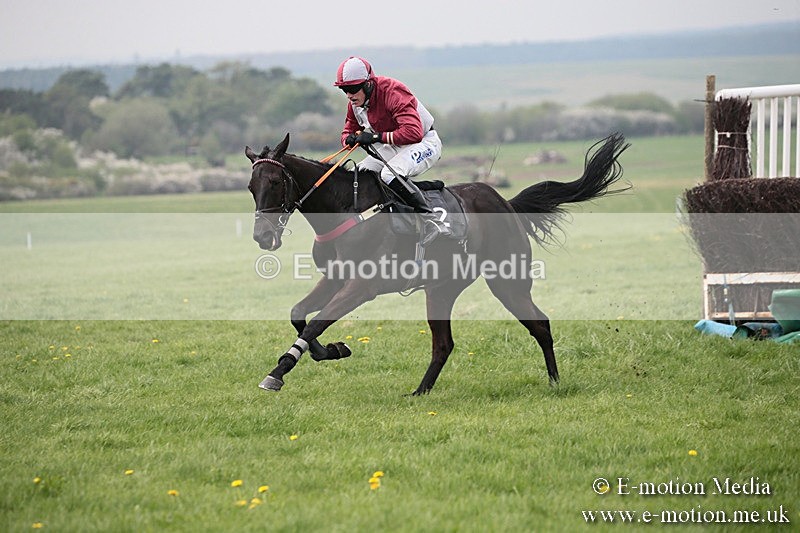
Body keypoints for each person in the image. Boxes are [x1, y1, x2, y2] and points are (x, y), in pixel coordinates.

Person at [334, 56, 450, 246]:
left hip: (424, 142)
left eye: (353, 89)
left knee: (389, 174)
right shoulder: (354, 103)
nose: (349, 95)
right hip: (395, 146)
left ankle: (432, 220)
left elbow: (413, 133)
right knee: (358, 173)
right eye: (344, 89)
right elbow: (347, 130)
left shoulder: (393, 92)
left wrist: (374, 137)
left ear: (368, 84)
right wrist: (349, 139)